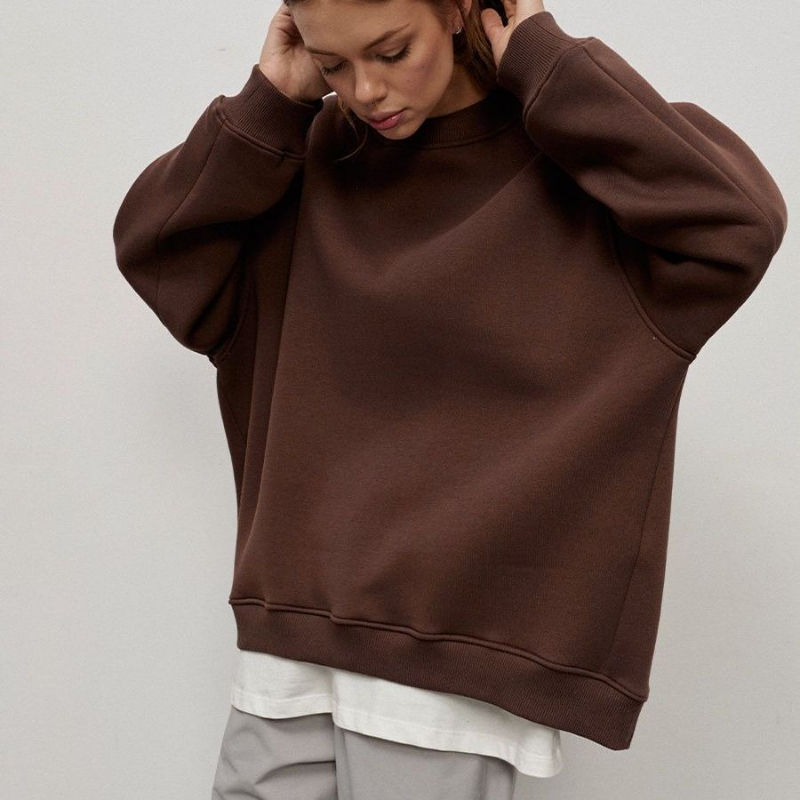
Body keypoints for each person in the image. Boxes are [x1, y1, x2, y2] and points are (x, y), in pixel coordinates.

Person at [112, 0, 788, 797]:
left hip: (451, 658)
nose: (366, 89)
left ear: (461, 9)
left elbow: (738, 223)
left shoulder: (578, 171)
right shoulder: (301, 162)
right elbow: (159, 251)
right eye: (334, 64)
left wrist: (548, 63)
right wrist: (270, 101)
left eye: (391, 50)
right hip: (289, 638)